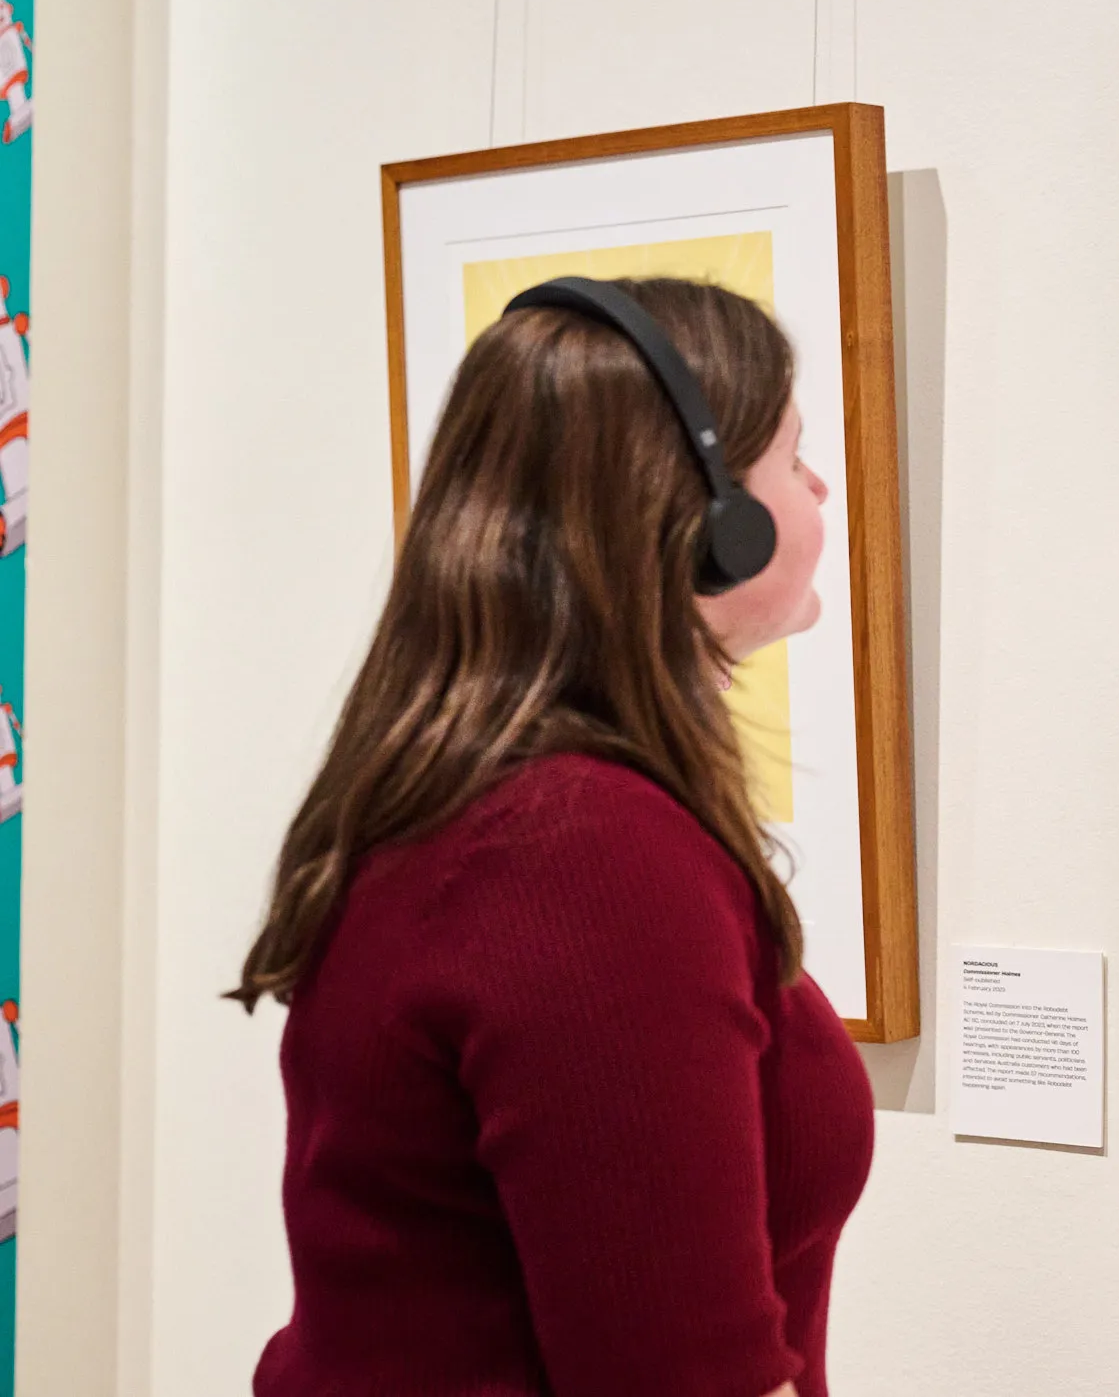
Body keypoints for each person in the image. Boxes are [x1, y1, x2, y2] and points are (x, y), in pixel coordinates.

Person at [232, 277, 871, 1397]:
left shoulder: (491, 798)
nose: (820, 489)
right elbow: (682, 1376)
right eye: (792, 457)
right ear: (713, 523)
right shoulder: (583, 853)